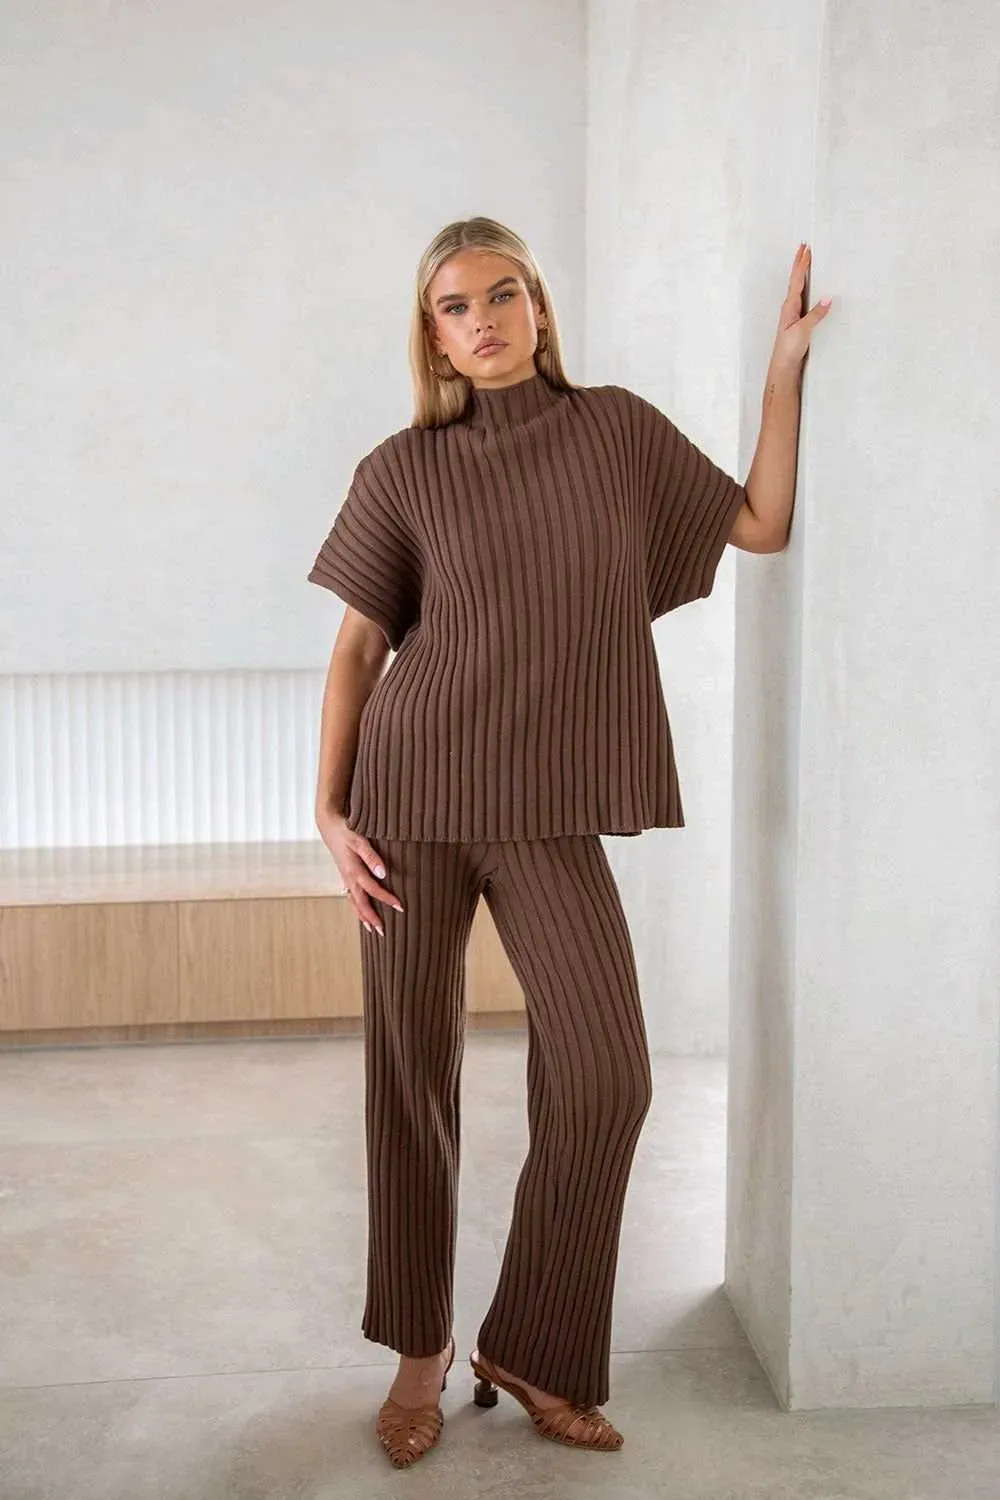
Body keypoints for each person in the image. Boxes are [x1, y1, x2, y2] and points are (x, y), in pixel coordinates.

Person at [308, 217, 829, 1467]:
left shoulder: (616, 432)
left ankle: (531, 1343)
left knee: (606, 1076)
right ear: (432, 334)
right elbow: (360, 648)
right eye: (454, 306)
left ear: (537, 306)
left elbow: (759, 523)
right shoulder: (401, 470)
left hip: (548, 807)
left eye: (501, 295)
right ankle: (419, 1352)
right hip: (408, 800)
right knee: (410, 1079)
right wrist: (328, 812)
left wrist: (781, 372)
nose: (481, 320)